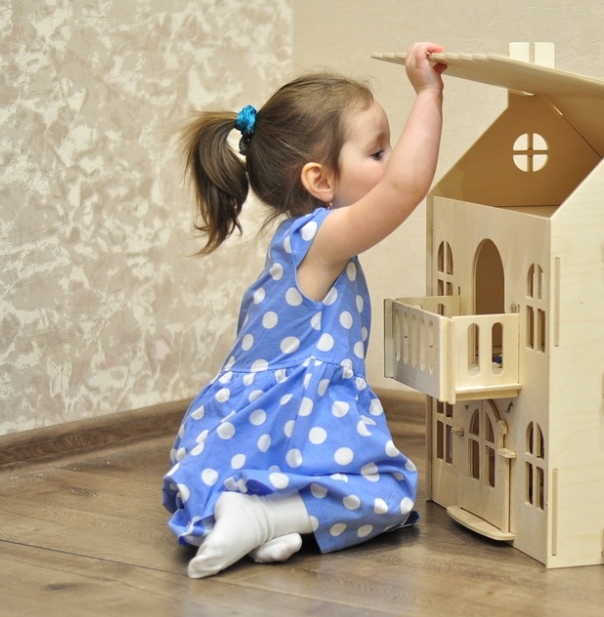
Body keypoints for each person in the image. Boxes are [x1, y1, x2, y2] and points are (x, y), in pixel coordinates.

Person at [162, 43, 446, 579]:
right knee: (391, 493)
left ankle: (265, 521)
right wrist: (428, 95)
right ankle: (267, 516)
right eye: (377, 153)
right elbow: (405, 188)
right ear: (320, 181)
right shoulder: (320, 239)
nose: (389, 162)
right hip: (294, 416)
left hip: (255, 429)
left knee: (366, 489)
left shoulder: (301, 242)